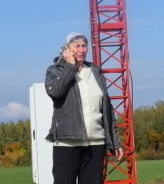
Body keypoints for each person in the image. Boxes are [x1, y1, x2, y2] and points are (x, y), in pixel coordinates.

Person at [45, 32, 124, 184]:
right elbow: (55, 92)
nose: (81, 50)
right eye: (77, 46)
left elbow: (107, 109)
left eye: (84, 46)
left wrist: (114, 141)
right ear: (66, 49)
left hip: (96, 143)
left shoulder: (95, 71)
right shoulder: (55, 71)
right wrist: (69, 66)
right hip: (67, 143)